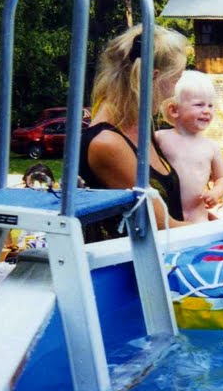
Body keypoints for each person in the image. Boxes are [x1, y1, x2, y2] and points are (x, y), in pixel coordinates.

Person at [80, 25, 191, 240]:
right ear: (153, 78)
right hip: (124, 268)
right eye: (175, 80)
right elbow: (162, 227)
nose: (173, 92)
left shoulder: (138, 126)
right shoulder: (107, 143)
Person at [156, 70, 223, 223]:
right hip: (165, 215)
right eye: (199, 104)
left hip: (198, 214)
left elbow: (222, 178)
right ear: (174, 110)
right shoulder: (161, 138)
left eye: (211, 105)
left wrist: (216, 192)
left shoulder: (211, 147)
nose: (207, 111)